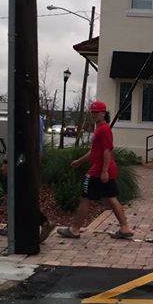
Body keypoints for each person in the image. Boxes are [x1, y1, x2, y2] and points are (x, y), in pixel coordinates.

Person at [57, 101, 134, 239]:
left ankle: (74, 229)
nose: (94, 115)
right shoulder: (100, 128)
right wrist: (80, 161)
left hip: (99, 171)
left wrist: (104, 171)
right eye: (92, 112)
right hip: (105, 168)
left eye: (97, 112)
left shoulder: (103, 129)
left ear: (103, 113)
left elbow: (107, 150)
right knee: (111, 198)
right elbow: (94, 151)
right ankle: (125, 228)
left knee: (85, 198)